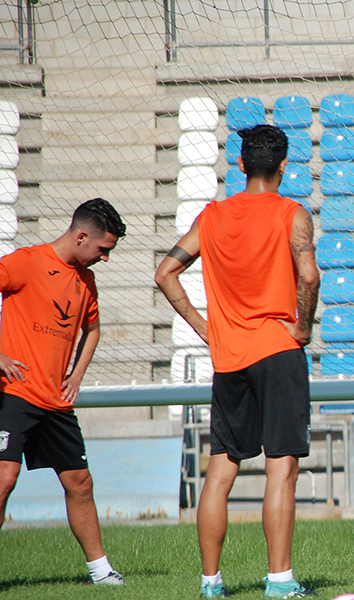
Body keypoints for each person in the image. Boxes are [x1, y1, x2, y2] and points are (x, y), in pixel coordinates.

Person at [155, 124, 319, 599]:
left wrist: (204, 327)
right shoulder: (293, 214)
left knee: (220, 469)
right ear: (284, 166)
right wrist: (303, 328)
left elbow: (166, 272)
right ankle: (280, 581)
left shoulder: (211, 216)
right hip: (277, 351)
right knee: (280, 468)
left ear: (241, 164)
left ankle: (210, 583)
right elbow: (308, 274)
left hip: (229, 359)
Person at [0, 198, 127, 585]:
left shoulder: (86, 282)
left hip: (55, 400)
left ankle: (101, 571)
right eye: (103, 249)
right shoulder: (26, 262)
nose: (104, 258)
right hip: (14, 392)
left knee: (80, 483)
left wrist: (76, 375)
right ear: (82, 235)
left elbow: (94, 330)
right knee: (4, 478)